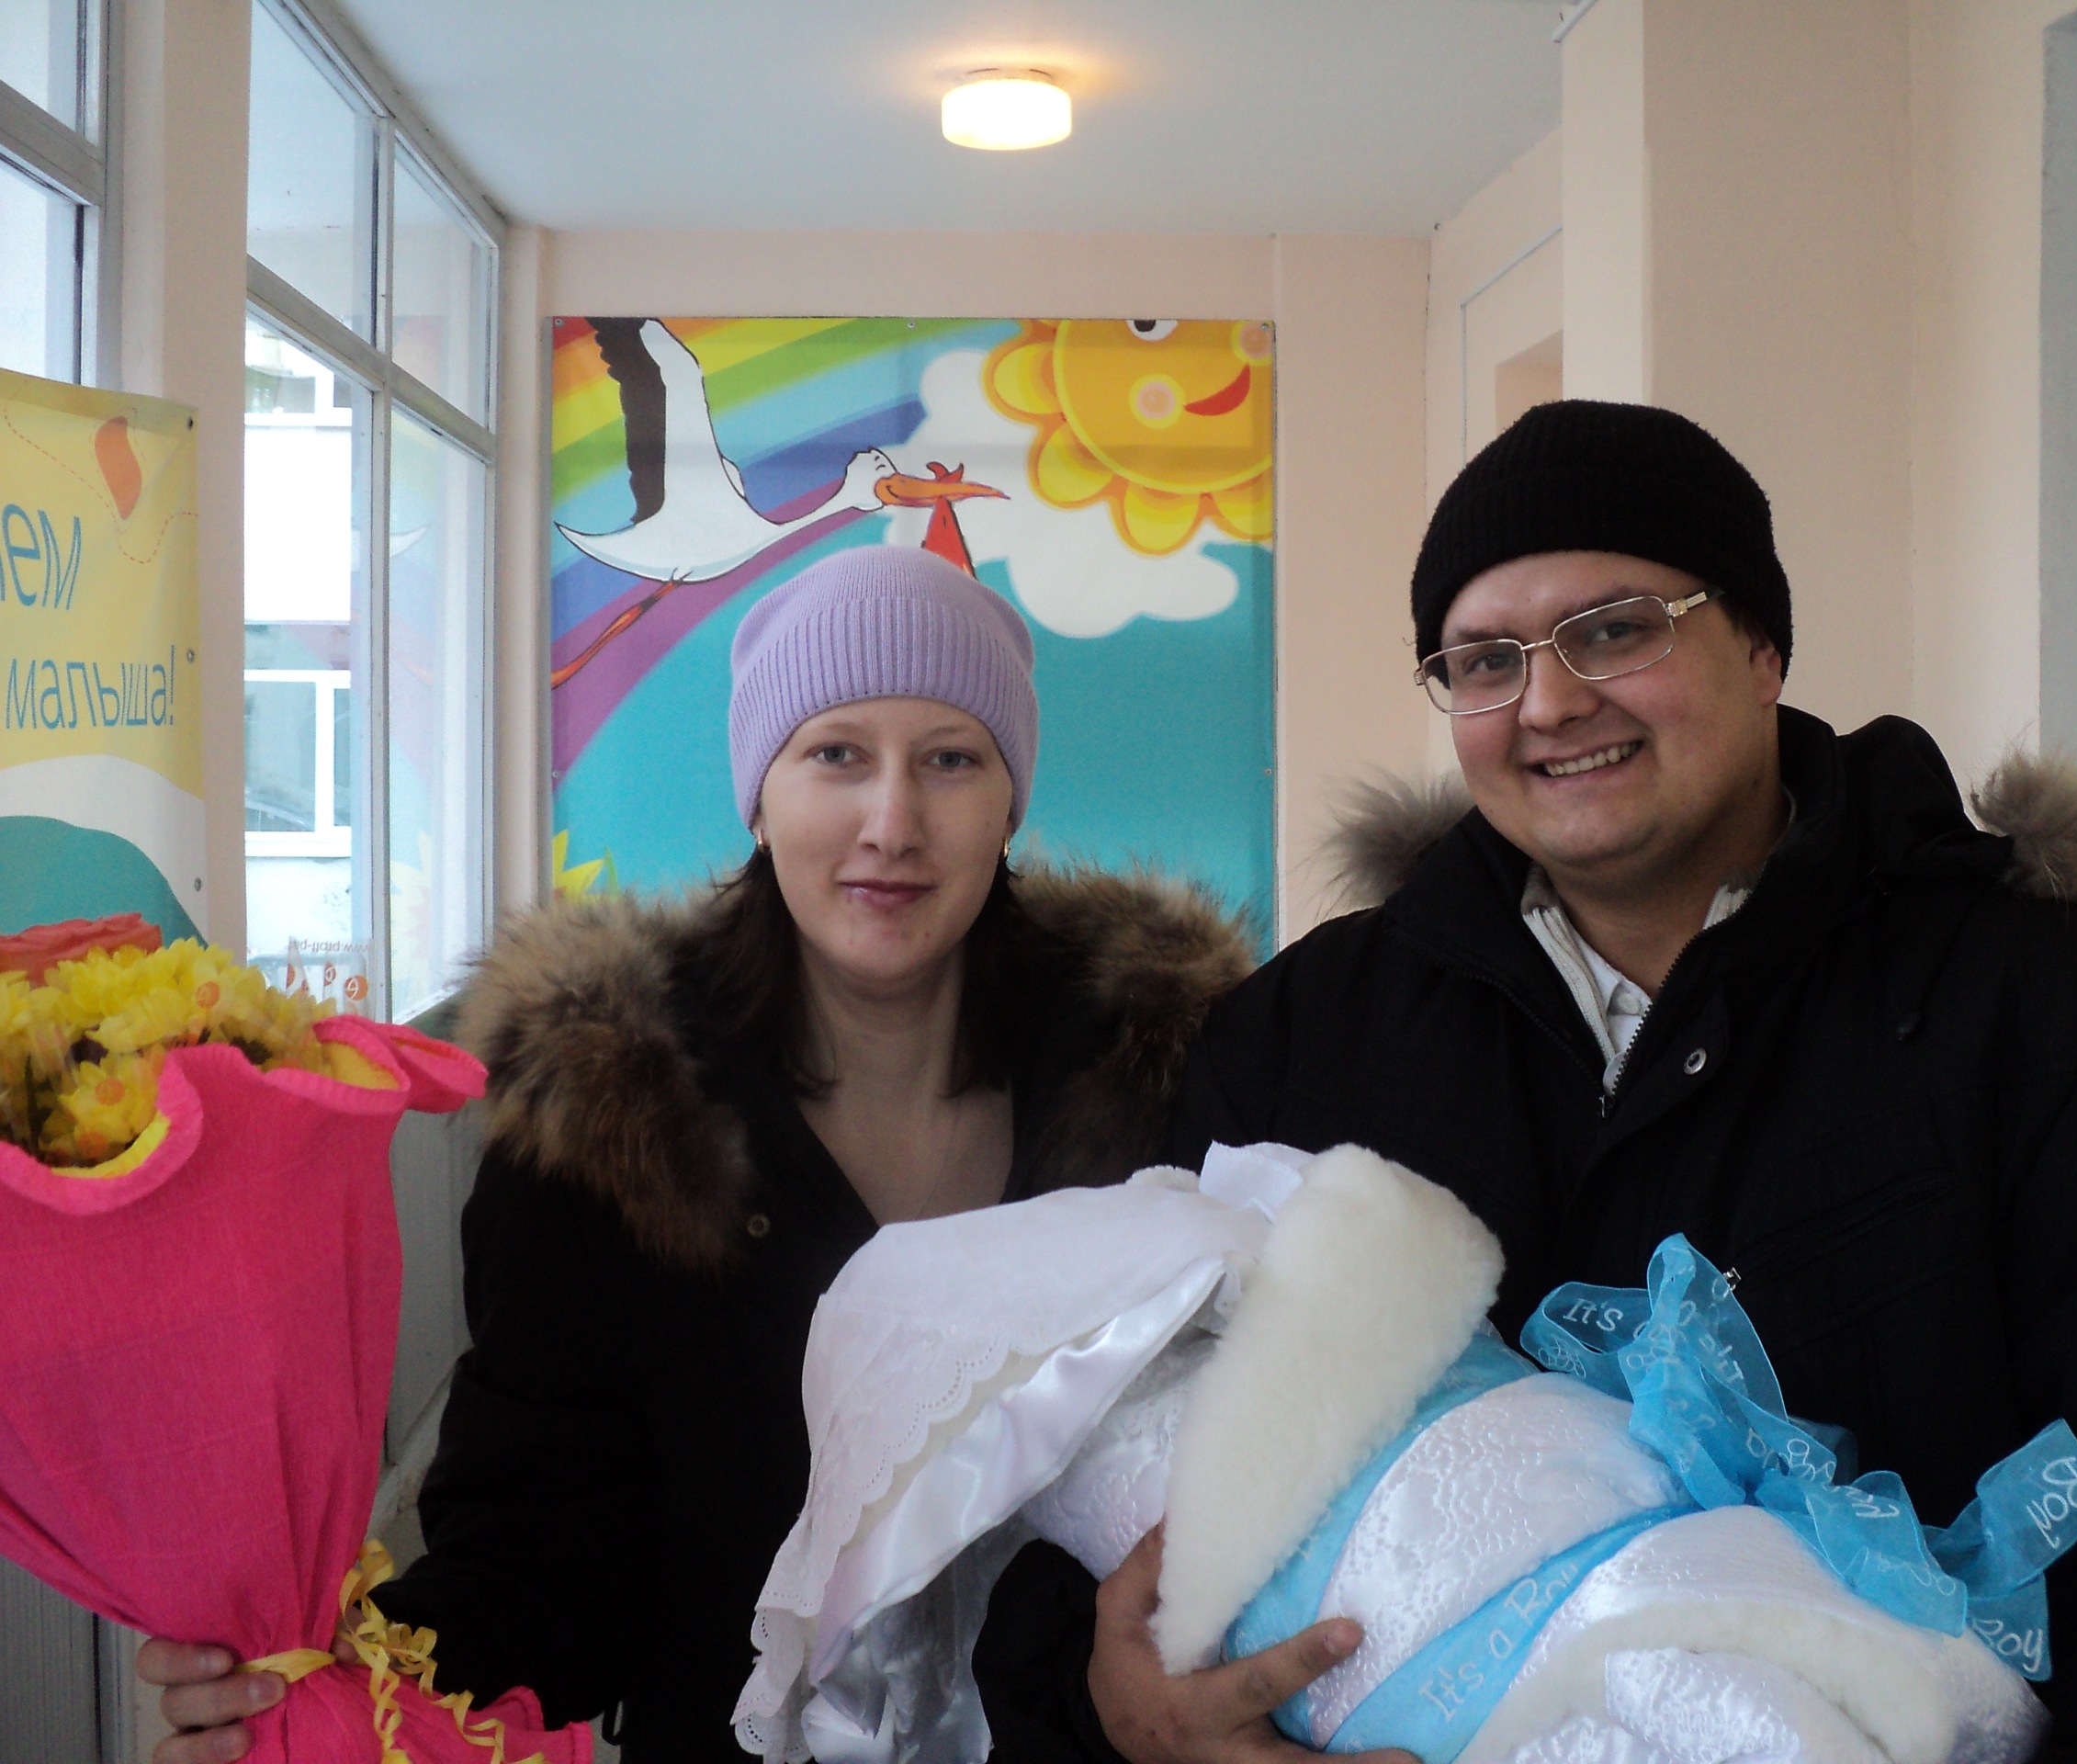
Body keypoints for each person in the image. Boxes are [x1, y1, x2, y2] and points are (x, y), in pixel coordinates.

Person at [1087, 400, 2077, 1763]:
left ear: (1762, 649)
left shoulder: (2076, 1031)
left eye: (1614, 630)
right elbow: (1114, 1448)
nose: (1550, 703)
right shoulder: (1302, 1042)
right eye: (1486, 660)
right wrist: (1130, 1709)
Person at [139, 544, 1254, 1764]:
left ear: (1009, 802)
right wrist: (323, 1692)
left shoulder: (1166, 1086)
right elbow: (539, 1564)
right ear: (759, 796)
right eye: (836, 755)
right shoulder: (612, 1126)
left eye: (950, 759)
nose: (892, 822)